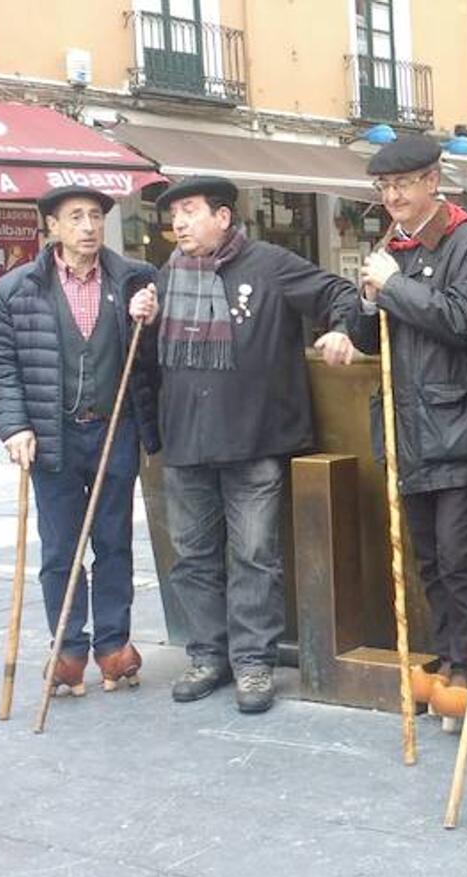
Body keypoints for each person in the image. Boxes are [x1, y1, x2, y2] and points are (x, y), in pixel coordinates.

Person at [155, 175, 360, 714]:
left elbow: (340, 291)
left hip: (253, 439)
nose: (178, 223)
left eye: (190, 211)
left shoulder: (268, 264)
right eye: (174, 214)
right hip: (184, 442)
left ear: (223, 217)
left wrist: (341, 328)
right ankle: (207, 655)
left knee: (254, 557)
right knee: (193, 558)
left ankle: (252, 663)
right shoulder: (167, 278)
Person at [341, 135, 467, 732]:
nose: (393, 198)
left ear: (434, 181)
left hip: (457, 427)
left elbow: (465, 320)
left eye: (403, 185)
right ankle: (452, 659)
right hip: (406, 432)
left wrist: (395, 286)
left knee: (462, 560)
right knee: (430, 562)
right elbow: (367, 337)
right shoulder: (390, 246)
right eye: (384, 188)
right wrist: (362, 301)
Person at [0, 185, 160, 696]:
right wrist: (15, 426)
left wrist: (149, 319)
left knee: (114, 543)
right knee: (61, 548)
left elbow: (151, 358)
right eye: (75, 217)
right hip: (51, 436)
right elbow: (2, 365)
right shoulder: (15, 290)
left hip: (114, 430)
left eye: (95, 217)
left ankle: (113, 646)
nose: (88, 226)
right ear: (52, 227)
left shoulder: (134, 279)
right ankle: (67, 649)